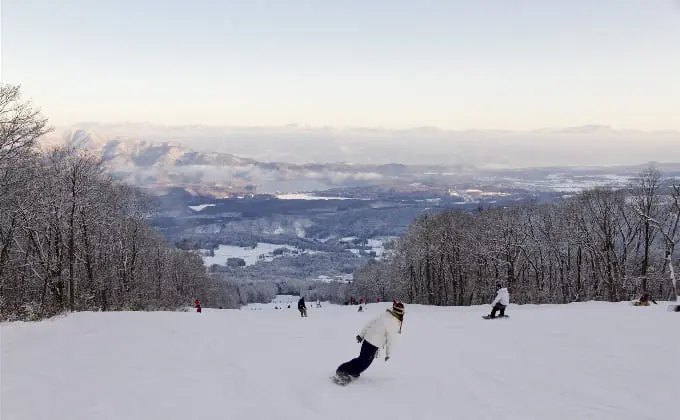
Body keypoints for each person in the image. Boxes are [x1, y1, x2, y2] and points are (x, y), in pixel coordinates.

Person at [335, 301, 405, 382]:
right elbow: (391, 340)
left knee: (362, 360)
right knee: (363, 363)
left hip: (367, 340)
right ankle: (342, 371)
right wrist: (388, 353)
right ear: (401, 313)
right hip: (373, 343)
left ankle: (352, 371)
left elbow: (369, 323)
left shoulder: (384, 315)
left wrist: (361, 335)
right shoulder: (393, 323)